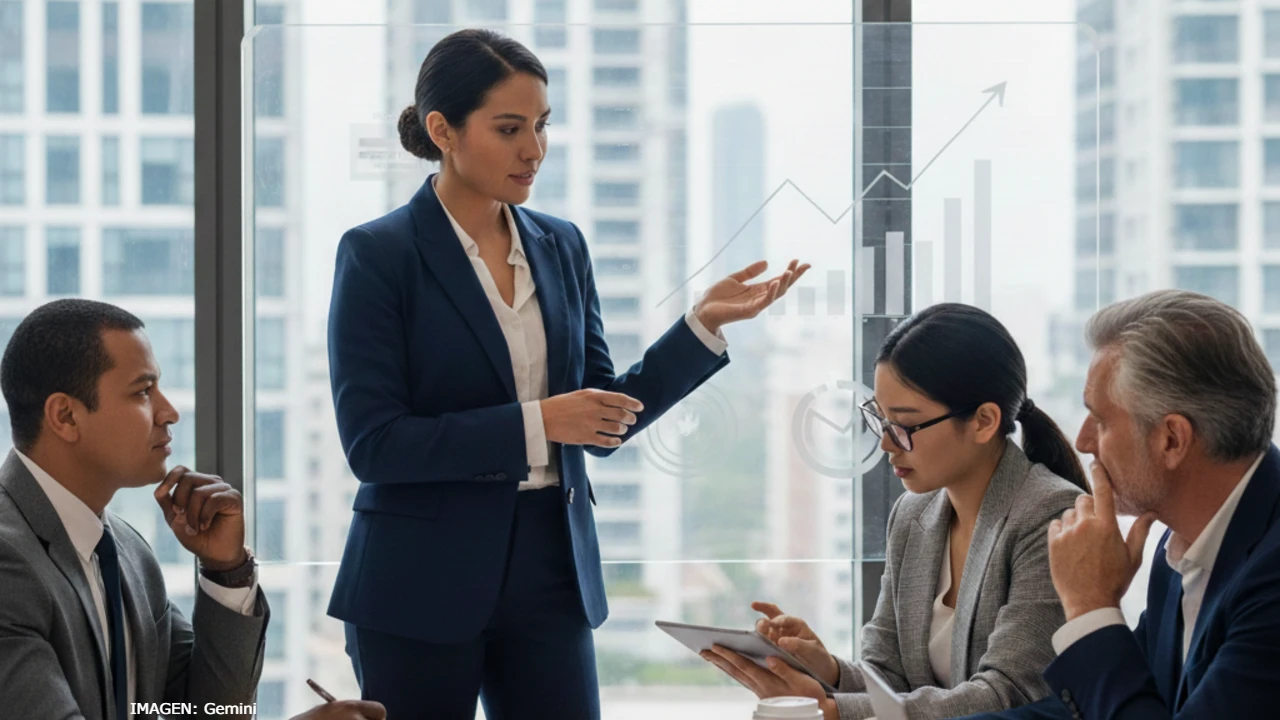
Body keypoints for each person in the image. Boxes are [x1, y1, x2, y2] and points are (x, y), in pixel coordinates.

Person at [326, 28, 807, 720]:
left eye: (543, 126)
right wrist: (539, 423)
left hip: (552, 568)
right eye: (509, 128)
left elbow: (605, 417)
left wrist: (702, 327)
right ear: (443, 130)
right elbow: (374, 444)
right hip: (418, 580)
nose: (535, 149)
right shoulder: (378, 255)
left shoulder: (562, 245)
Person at [700, 303, 1088, 719]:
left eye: (904, 425)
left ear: (984, 421)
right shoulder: (913, 514)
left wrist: (831, 710)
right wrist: (824, 669)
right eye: (880, 420)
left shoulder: (1050, 516)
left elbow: (1006, 696)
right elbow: (888, 681)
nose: (886, 443)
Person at [961, 290, 1280, 719]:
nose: (1083, 441)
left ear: (1171, 439)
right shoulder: (1181, 542)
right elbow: (1112, 705)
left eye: (1103, 421)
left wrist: (1090, 604)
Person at [0, 299, 269, 719]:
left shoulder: (127, 551)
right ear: (66, 416)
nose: (170, 412)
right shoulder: (6, 563)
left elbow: (205, 713)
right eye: (143, 391)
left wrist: (226, 570)